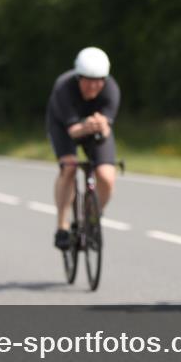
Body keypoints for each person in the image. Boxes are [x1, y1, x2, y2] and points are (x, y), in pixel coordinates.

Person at [46, 47, 121, 250]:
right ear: (78, 77)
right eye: (88, 80)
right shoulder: (64, 88)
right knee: (69, 167)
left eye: (99, 81)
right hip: (64, 127)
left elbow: (106, 128)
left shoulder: (111, 89)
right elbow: (72, 131)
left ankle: (91, 220)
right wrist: (87, 126)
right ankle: (62, 226)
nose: (94, 86)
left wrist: (102, 127)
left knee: (106, 176)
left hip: (92, 128)